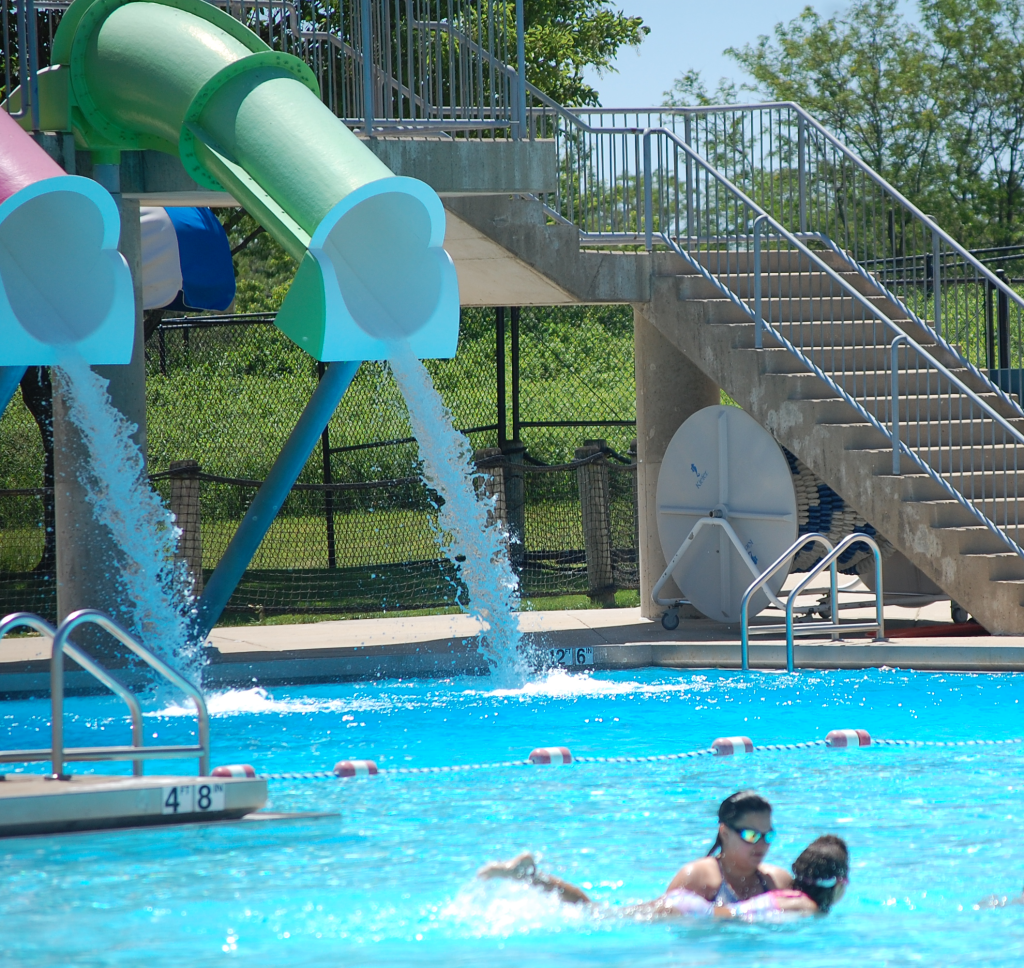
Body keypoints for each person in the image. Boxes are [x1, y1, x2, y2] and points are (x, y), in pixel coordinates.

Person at [477, 835, 850, 921]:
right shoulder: (805, 908)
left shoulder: (790, 893)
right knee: (597, 915)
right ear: (839, 883)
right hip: (692, 913)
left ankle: (532, 876)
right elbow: (747, 920)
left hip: (693, 908)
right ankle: (531, 876)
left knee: (601, 911)